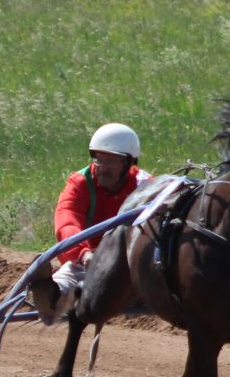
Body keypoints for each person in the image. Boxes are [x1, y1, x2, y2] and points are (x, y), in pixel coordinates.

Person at [30, 123, 148, 323]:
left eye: (110, 160)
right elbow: (67, 220)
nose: (102, 168)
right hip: (87, 264)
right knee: (68, 276)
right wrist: (83, 253)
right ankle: (51, 296)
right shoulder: (80, 182)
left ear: (129, 163)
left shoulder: (144, 185)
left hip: (128, 267)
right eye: (98, 159)